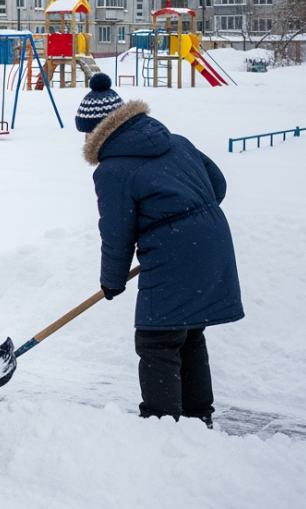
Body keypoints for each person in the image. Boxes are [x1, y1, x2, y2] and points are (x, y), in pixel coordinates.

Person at [76, 73, 243, 426]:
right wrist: (190, 216)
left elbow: (117, 234)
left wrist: (113, 281)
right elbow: (218, 185)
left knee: (157, 341)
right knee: (187, 333)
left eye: (87, 131)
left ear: (101, 129)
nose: (86, 138)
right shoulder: (178, 142)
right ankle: (199, 418)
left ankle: (162, 425)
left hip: (175, 253)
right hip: (213, 240)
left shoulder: (112, 170)